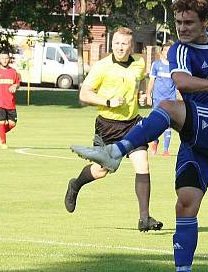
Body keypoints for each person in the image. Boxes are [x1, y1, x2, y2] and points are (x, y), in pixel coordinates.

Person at [70, 0, 208, 272]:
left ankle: (115, 153)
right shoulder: (179, 52)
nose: (182, 28)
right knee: (185, 204)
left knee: (169, 107)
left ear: (204, 23)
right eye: (178, 22)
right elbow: (183, 82)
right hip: (199, 137)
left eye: (189, 22)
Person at [64, 27, 163, 232]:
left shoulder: (139, 63)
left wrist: (143, 96)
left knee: (142, 164)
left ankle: (144, 218)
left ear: (131, 45)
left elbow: (138, 83)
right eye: (117, 43)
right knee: (101, 171)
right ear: (112, 44)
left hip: (133, 124)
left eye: (124, 43)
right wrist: (107, 101)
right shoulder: (102, 67)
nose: (120, 47)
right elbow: (84, 94)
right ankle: (75, 185)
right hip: (107, 126)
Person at [146, 42, 177, 156]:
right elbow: (152, 81)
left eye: (170, 51)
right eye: (166, 50)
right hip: (158, 99)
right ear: (162, 52)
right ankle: (155, 142)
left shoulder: (175, 66)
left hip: (171, 99)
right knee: (157, 123)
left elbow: (179, 84)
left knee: (168, 123)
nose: (168, 53)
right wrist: (148, 95)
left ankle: (165, 150)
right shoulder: (156, 65)